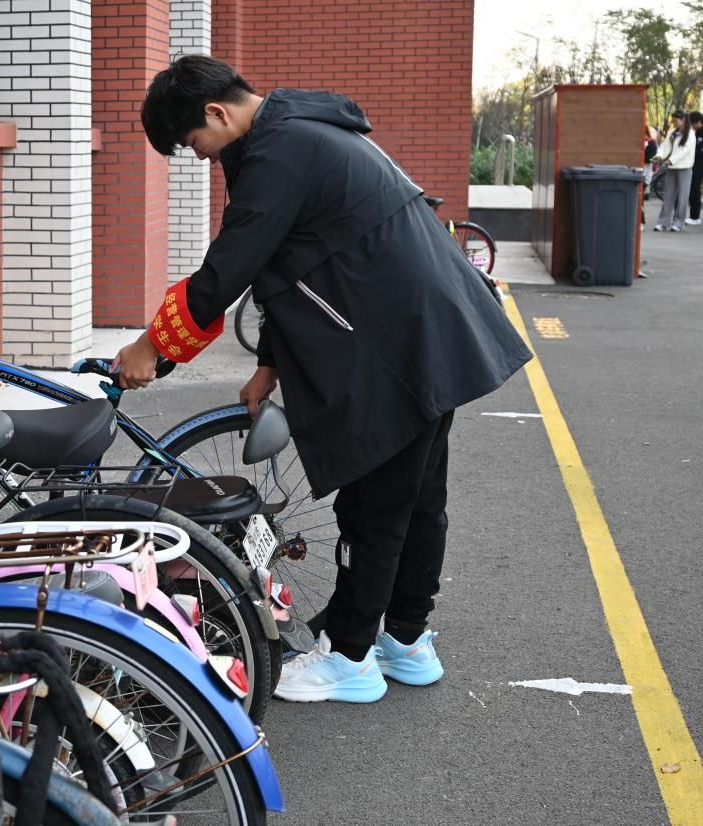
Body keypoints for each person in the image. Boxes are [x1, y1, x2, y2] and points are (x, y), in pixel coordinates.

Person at [113, 55, 531, 703]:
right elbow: (291, 263)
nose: (199, 156)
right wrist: (269, 365)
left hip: (394, 343)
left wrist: (151, 348)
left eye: (193, 142)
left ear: (216, 112)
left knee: (376, 502)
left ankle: (351, 657)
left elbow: (231, 267)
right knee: (418, 497)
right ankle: (407, 640)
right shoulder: (305, 130)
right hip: (430, 329)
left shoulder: (278, 151)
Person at [653, 110, 694, 232]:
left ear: (684, 120)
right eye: (673, 121)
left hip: (684, 168)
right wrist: (659, 156)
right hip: (671, 168)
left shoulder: (690, 134)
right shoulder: (672, 132)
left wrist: (670, 160)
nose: (674, 123)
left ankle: (678, 223)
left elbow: (684, 151)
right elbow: (664, 146)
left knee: (682, 197)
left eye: (676, 121)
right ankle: (663, 222)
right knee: (668, 196)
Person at [687, 112, 703, 225]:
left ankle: (695, 217)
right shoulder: (694, 132)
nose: (692, 126)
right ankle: (694, 216)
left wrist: (694, 152)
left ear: (698, 122)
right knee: (693, 190)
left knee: (695, 191)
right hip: (695, 166)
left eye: (693, 124)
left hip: (699, 166)